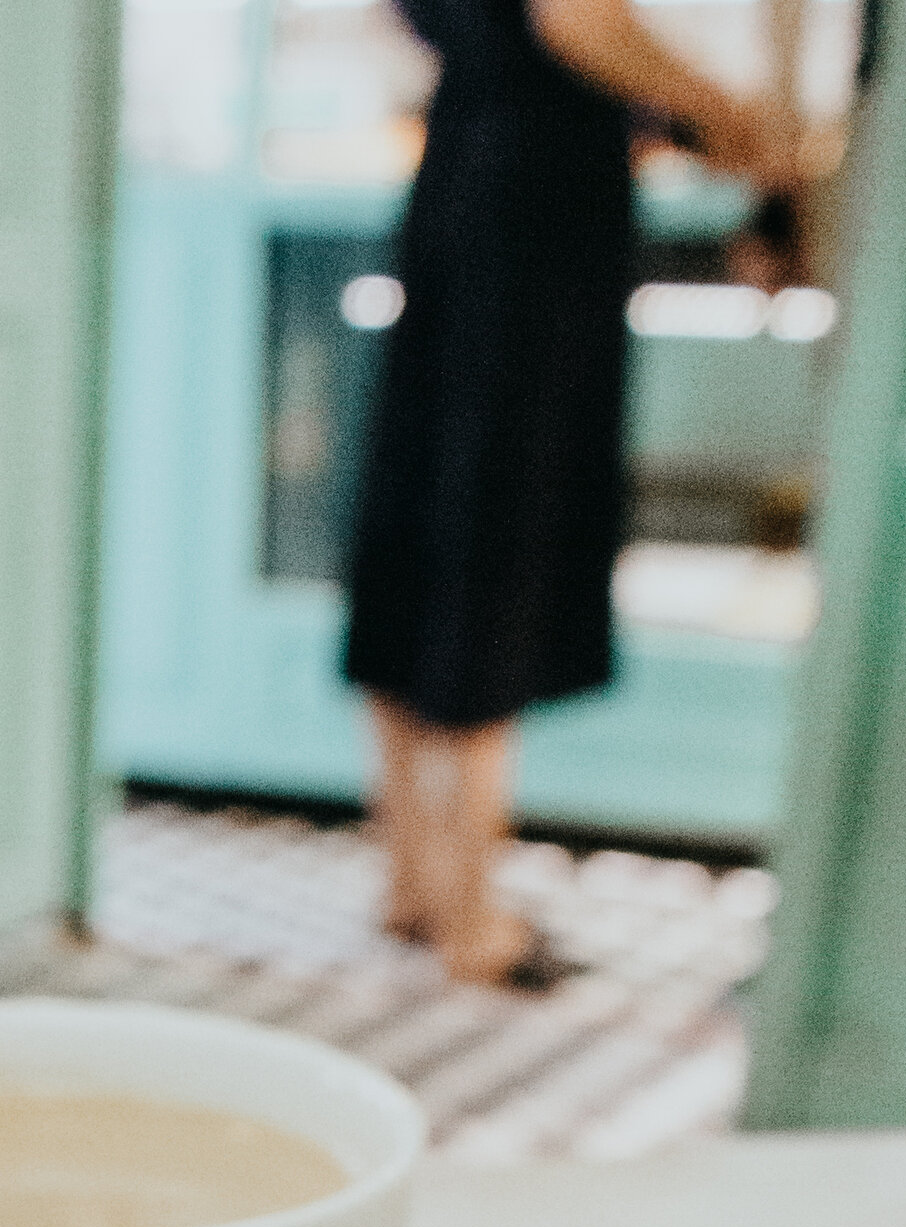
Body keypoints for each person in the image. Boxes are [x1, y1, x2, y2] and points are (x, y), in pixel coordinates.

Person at [344, 0, 802, 984]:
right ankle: (470, 915)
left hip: (462, 164)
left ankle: (414, 882)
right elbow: (577, 17)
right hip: (535, 204)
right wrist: (724, 113)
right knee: (494, 521)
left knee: (420, 507)